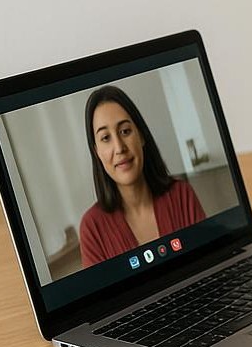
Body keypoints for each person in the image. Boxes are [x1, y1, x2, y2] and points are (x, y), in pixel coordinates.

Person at [77, 85, 207, 267]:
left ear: (141, 136)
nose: (119, 147)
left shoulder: (181, 195)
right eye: (106, 137)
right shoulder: (92, 227)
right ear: (97, 152)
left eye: (125, 131)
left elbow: (208, 262)